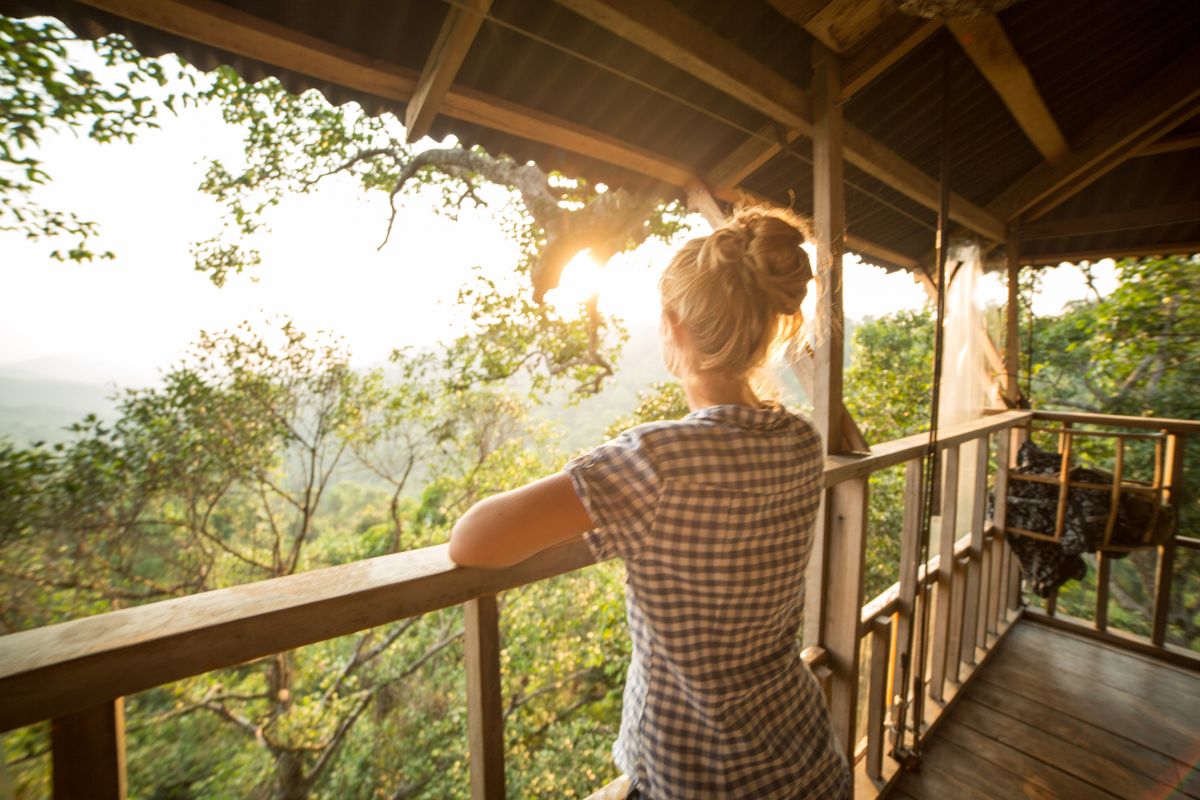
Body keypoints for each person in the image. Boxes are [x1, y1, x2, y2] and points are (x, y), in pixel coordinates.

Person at [449, 207, 852, 799]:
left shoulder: (657, 461)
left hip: (702, 778)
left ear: (672, 325)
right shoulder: (801, 440)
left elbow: (474, 539)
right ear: (770, 323)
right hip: (808, 761)